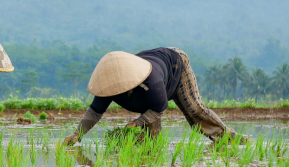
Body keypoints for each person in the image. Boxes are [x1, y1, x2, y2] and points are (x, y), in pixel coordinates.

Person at [64, 47, 238, 145]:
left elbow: (159, 108)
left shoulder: (150, 80)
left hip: (176, 66)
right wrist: (76, 134)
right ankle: (152, 156)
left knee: (195, 111)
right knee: (149, 136)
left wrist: (135, 123)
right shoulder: (110, 85)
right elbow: (94, 113)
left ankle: (232, 139)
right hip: (152, 84)